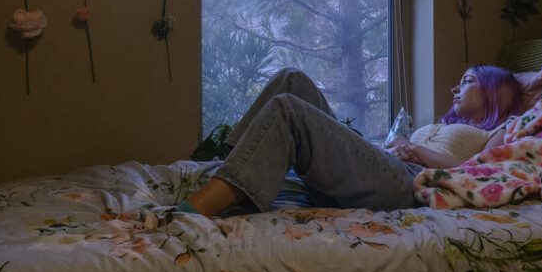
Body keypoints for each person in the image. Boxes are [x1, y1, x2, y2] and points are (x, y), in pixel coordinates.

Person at [179, 66, 523, 218]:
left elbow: (480, 176)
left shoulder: (504, 129)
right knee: (292, 80)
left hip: (410, 185)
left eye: (467, 81)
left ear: (495, 91)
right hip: (385, 164)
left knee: (289, 111)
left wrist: (415, 149)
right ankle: (229, 170)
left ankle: (193, 211)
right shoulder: (446, 124)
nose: (455, 88)